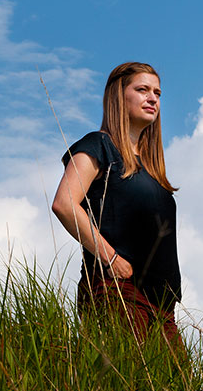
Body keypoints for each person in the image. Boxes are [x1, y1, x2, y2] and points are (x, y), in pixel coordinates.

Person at [51, 62, 182, 344]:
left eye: (157, 93)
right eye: (143, 89)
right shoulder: (99, 146)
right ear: (119, 96)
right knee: (127, 371)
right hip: (118, 291)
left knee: (171, 375)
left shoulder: (151, 170)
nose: (152, 98)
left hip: (161, 307)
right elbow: (64, 203)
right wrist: (110, 258)